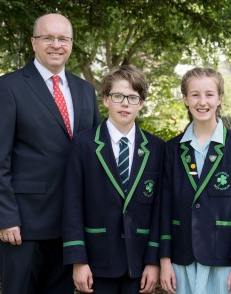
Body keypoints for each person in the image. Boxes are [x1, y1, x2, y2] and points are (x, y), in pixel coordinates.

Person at [0, 13, 100, 293]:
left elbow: (93, 157)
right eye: (48, 37)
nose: (56, 44)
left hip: (70, 226)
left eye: (63, 38)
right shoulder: (9, 87)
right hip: (24, 225)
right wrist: (5, 217)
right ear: (33, 42)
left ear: (71, 43)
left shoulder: (85, 91)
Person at [61, 65, 164, 293]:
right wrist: (78, 260)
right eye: (118, 96)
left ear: (141, 104)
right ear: (106, 100)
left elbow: (159, 209)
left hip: (138, 261)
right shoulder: (84, 144)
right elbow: (72, 204)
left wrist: (153, 260)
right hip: (97, 259)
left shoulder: (156, 148)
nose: (125, 103)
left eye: (132, 97)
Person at [159, 67, 231, 294]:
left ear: (220, 98)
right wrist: (164, 261)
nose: (202, 102)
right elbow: (164, 208)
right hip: (182, 258)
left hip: (224, 260)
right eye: (195, 95)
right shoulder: (172, 149)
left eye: (209, 94)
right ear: (185, 99)